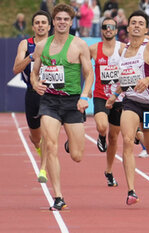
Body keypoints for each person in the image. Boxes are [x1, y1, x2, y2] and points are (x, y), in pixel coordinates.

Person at [31, 3, 94, 211]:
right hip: (49, 101)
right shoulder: (42, 46)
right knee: (49, 144)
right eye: (58, 19)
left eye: (66, 19)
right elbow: (35, 71)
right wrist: (35, 83)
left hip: (72, 101)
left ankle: (70, 143)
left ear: (71, 22)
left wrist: (84, 96)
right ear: (53, 21)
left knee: (77, 156)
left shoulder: (79, 45)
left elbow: (89, 73)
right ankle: (58, 196)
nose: (62, 22)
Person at [106, 10, 149, 205]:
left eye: (141, 23)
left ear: (147, 28)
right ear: (128, 26)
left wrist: (148, 80)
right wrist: (115, 95)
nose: (137, 25)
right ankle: (131, 191)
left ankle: (141, 135)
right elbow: (125, 80)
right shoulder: (122, 51)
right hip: (131, 102)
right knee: (126, 140)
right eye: (133, 22)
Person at [13, 10, 52, 184]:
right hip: (32, 94)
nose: (41, 25)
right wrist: (31, 56)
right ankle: (38, 147)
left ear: (49, 26)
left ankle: (43, 169)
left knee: (48, 133)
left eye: (44, 22)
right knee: (36, 137)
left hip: (51, 95)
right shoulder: (25, 44)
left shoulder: (56, 44)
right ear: (33, 26)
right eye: (37, 22)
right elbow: (16, 69)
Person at [89, 17, 126, 187]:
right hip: (100, 96)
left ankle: (109, 171)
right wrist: (85, 87)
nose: (108, 29)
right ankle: (101, 136)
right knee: (102, 127)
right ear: (102, 30)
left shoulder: (123, 49)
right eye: (105, 27)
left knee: (115, 137)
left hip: (119, 98)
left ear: (116, 30)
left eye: (111, 27)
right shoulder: (94, 49)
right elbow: (80, 62)